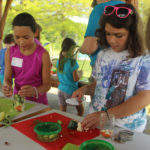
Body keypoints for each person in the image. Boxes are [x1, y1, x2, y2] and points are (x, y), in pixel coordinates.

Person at [72, 3, 150, 132]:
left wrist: (106, 115)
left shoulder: (144, 59)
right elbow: (99, 85)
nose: (112, 40)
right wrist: (85, 90)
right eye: (108, 34)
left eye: (119, 35)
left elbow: (145, 97)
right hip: (95, 121)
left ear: (133, 34)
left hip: (125, 128)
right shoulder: (103, 54)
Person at [3, 12, 51, 105]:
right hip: (18, 101)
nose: (21, 42)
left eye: (26, 37)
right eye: (17, 37)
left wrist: (35, 91)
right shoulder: (10, 52)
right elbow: (7, 79)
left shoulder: (43, 55)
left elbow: (47, 85)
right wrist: (7, 86)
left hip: (38, 103)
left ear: (35, 32)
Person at [80, 0, 125, 82]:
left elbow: (89, 48)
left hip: (103, 70)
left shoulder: (100, 9)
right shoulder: (128, 9)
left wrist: (80, 49)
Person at [56, 38, 84, 116]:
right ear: (71, 49)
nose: (74, 52)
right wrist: (80, 74)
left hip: (60, 90)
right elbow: (75, 79)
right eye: (74, 50)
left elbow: (59, 77)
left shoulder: (59, 61)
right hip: (71, 92)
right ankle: (76, 125)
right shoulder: (72, 62)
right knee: (81, 111)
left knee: (62, 113)